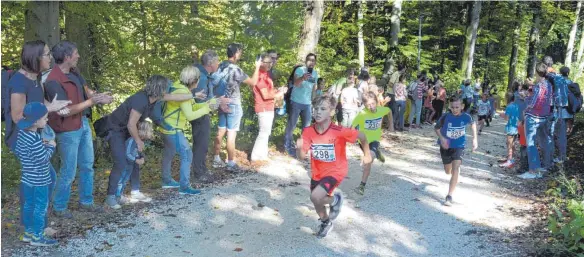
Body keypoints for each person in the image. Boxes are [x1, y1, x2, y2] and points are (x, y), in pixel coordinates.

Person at [5, 40, 71, 227]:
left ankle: (34, 225)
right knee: (40, 180)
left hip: (35, 135)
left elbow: (40, 104)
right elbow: (18, 116)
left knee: (43, 180)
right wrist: (48, 109)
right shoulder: (19, 82)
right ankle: (33, 227)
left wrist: (54, 107)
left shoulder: (36, 78)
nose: (50, 58)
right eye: (47, 55)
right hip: (22, 138)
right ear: (36, 58)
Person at [44, 41, 114, 218]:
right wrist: (92, 102)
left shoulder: (74, 72)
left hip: (82, 124)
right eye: (76, 53)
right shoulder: (53, 80)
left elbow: (86, 90)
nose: (78, 56)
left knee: (87, 165)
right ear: (67, 57)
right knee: (68, 169)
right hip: (67, 129)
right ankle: (59, 207)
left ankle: (86, 202)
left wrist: (98, 97)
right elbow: (64, 110)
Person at [296, 95, 372, 238]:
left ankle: (332, 204)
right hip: (317, 172)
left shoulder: (339, 131)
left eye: (323, 109)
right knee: (315, 200)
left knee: (315, 195)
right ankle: (328, 217)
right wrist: (299, 148)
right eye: (316, 109)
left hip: (336, 170)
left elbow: (362, 136)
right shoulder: (308, 131)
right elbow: (301, 156)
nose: (318, 112)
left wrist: (367, 154)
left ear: (331, 112)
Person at [104, 75, 170, 209]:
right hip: (115, 130)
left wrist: (192, 95)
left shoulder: (153, 99)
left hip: (126, 130)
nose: (167, 91)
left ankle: (121, 194)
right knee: (121, 162)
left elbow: (172, 97)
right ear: (160, 89)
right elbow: (131, 124)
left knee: (133, 161)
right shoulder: (141, 100)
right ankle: (110, 197)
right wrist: (138, 140)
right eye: (165, 88)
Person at [160, 66, 216, 194]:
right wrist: (207, 109)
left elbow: (192, 106)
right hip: (173, 129)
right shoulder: (183, 93)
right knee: (187, 154)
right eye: (197, 80)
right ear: (194, 80)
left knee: (169, 153)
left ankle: (166, 180)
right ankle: (184, 187)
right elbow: (190, 115)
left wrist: (206, 104)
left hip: (165, 126)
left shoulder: (178, 86)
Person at [13, 102, 58, 246]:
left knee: (28, 205)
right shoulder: (35, 138)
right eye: (45, 118)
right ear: (35, 121)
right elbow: (43, 159)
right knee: (40, 207)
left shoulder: (23, 134)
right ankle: (38, 237)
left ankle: (29, 232)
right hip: (40, 180)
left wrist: (42, 145)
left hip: (27, 177)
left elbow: (23, 151)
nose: (47, 120)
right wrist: (51, 146)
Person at [212, 43, 261, 171]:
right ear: (235, 54)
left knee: (220, 131)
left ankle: (216, 158)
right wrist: (257, 67)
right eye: (239, 52)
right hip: (233, 104)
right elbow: (253, 83)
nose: (241, 54)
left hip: (221, 102)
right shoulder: (236, 69)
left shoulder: (220, 66)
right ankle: (231, 163)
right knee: (231, 135)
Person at [434, 96, 478, 206]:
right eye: (453, 107)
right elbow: (436, 128)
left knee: (456, 168)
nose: (455, 109)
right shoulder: (445, 117)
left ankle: (449, 196)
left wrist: (474, 138)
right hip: (446, 147)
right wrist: (442, 138)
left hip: (459, 146)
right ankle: (453, 172)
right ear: (450, 107)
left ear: (462, 107)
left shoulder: (466, 116)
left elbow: (473, 124)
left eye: (457, 107)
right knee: (448, 171)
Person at [518, 63, 553, 179]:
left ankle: (533, 170)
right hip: (544, 117)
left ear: (537, 73)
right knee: (544, 143)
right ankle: (546, 166)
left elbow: (534, 103)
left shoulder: (539, 86)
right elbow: (549, 101)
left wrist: (525, 98)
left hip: (533, 117)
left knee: (531, 143)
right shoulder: (549, 85)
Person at [250, 53, 288, 161]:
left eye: (271, 62)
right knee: (263, 133)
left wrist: (278, 90)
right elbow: (266, 95)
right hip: (263, 107)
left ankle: (262, 155)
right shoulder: (260, 77)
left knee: (266, 133)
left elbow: (269, 91)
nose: (270, 64)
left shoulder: (266, 75)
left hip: (269, 107)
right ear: (261, 63)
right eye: (268, 62)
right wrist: (278, 95)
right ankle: (255, 157)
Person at [351, 92, 390, 195]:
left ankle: (361, 186)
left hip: (374, 140)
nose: (371, 106)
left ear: (376, 102)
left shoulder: (381, 110)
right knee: (368, 160)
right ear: (364, 105)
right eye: (368, 105)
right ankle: (376, 153)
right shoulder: (362, 114)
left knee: (368, 161)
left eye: (373, 103)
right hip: (363, 142)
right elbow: (352, 126)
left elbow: (389, 111)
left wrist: (392, 125)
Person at [192, 50, 221, 183]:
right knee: (201, 144)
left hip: (200, 113)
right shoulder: (202, 78)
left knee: (202, 143)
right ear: (210, 63)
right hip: (199, 115)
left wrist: (218, 102)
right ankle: (199, 173)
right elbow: (200, 101)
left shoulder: (203, 75)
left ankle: (202, 169)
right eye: (217, 61)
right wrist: (218, 102)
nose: (218, 63)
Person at [283, 53, 319, 156]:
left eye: (313, 60)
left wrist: (314, 101)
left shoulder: (315, 73)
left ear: (315, 62)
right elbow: (296, 83)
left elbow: (313, 88)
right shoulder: (300, 70)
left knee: (306, 127)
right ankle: (287, 146)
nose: (311, 62)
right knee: (292, 125)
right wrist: (303, 78)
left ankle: (302, 148)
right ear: (306, 60)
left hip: (307, 104)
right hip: (296, 101)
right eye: (309, 60)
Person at [117, 121, 154, 203]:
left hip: (130, 165)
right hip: (125, 164)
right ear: (144, 131)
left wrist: (142, 157)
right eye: (150, 130)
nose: (151, 132)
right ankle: (117, 196)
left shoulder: (141, 141)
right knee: (121, 179)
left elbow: (138, 152)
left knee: (125, 179)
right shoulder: (132, 140)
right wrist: (135, 160)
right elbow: (127, 153)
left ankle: (120, 196)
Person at [548, 67, 571, 164]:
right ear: (568, 73)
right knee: (562, 136)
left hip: (560, 111)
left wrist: (553, 72)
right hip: (568, 112)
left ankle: (560, 157)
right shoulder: (570, 82)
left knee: (557, 135)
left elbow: (549, 75)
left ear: (561, 73)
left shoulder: (559, 80)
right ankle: (562, 156)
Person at [499, 93, 520, 168]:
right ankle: (511, 159)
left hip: (511, 127)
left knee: (509, 144)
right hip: (516, 127)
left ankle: (509, 161)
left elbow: (507, 118)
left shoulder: (509, 107)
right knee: (513, 144)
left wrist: (502, 115)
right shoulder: (517, 106)